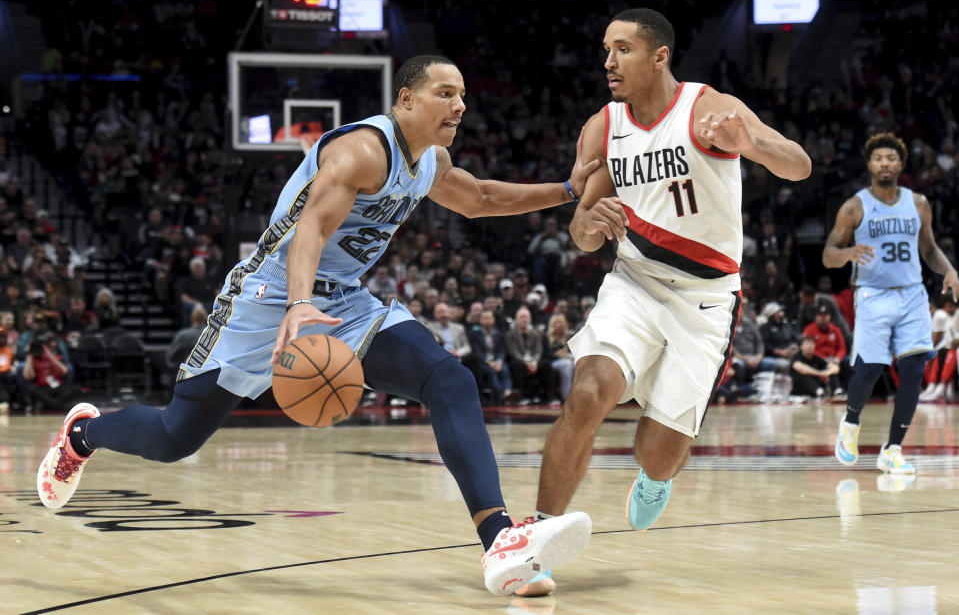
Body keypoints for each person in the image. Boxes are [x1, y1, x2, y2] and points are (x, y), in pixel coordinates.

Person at [37, 55, 595, 596]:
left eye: (463, 96)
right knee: (173, 437)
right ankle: (82, 435)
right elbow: (312, 227)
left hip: (345, 303)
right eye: (444, 93)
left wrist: (567, 191)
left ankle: (500, 541)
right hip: (268, 298)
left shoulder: (431, 163)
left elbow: (480, 198)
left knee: (449, 380)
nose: (459, 105)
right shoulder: (362, 150)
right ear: (405, 99)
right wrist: (298, 303)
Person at [520, 8, 811, 597]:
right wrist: (590, 223)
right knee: (587, 393)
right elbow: (580, 230)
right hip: (634, 283)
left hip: (705, 301)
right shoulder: (601, 128)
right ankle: (538, 545)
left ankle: (656, 478)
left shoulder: (707, 108)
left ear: (659, 56)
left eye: (622, 49)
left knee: (655, 453)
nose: (608, 62)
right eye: (605, 49)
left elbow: (798, 165)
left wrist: (749, 142)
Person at [825, 132, 959, 476]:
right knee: (869, 369)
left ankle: (893, 449)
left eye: (891, 158)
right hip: (872, 294)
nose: (885, 163)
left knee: (914, 371)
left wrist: (949, 270)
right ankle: (851, 423)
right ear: (870, 164)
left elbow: (928, 249)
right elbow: (828, 255)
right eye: (878, 158)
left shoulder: (918, 203)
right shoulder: (854, 206)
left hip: (912, 294)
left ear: (900, 164)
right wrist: (848, 253)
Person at [919, 294, 957, 402]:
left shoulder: (940, 315)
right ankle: (933, 386)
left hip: (947, 347)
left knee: (936, 355)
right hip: (943, 347)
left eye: (929, 308)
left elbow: (936, 337)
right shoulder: (936, 316)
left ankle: (940, 386)